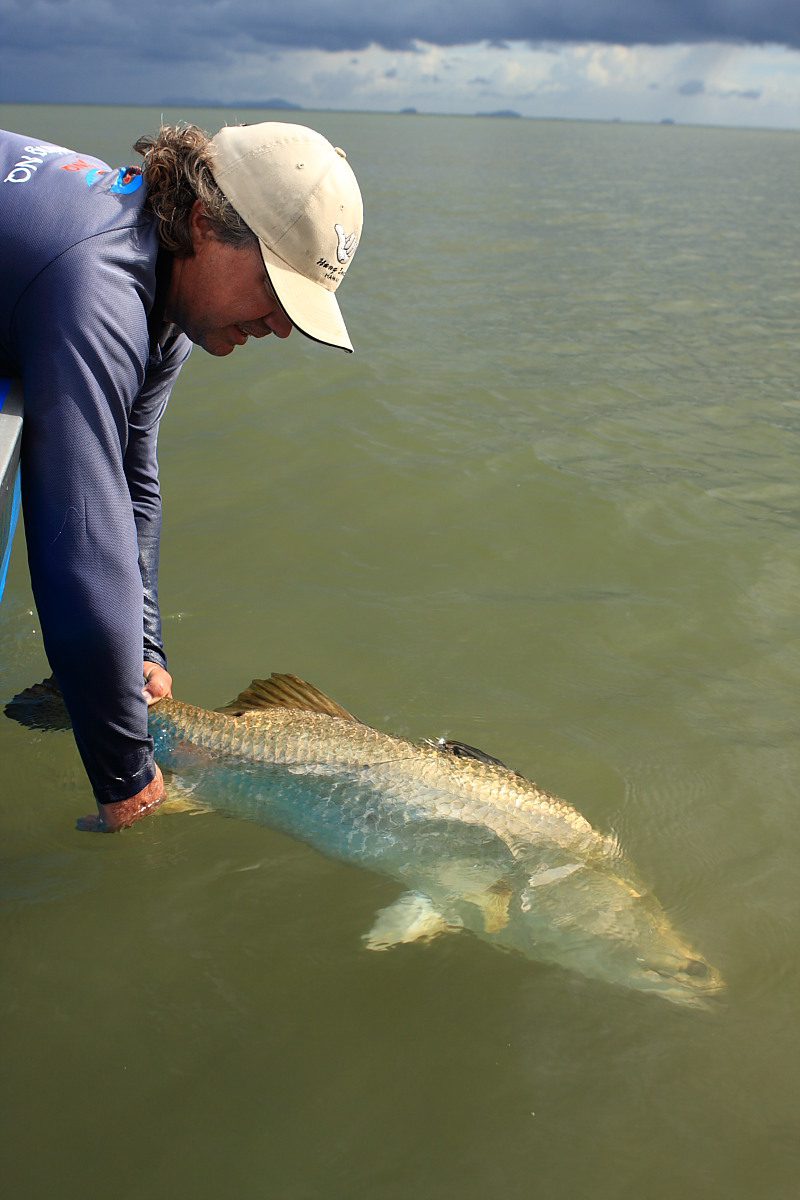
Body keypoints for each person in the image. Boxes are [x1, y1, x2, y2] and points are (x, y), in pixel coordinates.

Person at [0, 121, 363, 831]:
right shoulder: (98, 287)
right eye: (275, 286)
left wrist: (143, 649)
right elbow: (77, 534)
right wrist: (125, 775)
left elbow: (131, 475)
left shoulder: (161, 282)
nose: (282, 325)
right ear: (204, 222)